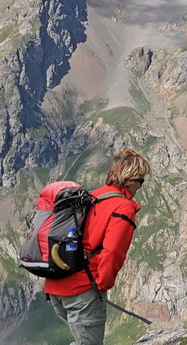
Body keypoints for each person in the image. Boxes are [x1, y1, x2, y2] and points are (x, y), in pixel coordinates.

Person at [45, 147, 152, 345]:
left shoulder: (93, 196)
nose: (141, 186)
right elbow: (113, 252)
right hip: (82, 290)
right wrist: (101, 286)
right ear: (129, 180)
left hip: (56, 285)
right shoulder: (123, 207)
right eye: (141, 181)